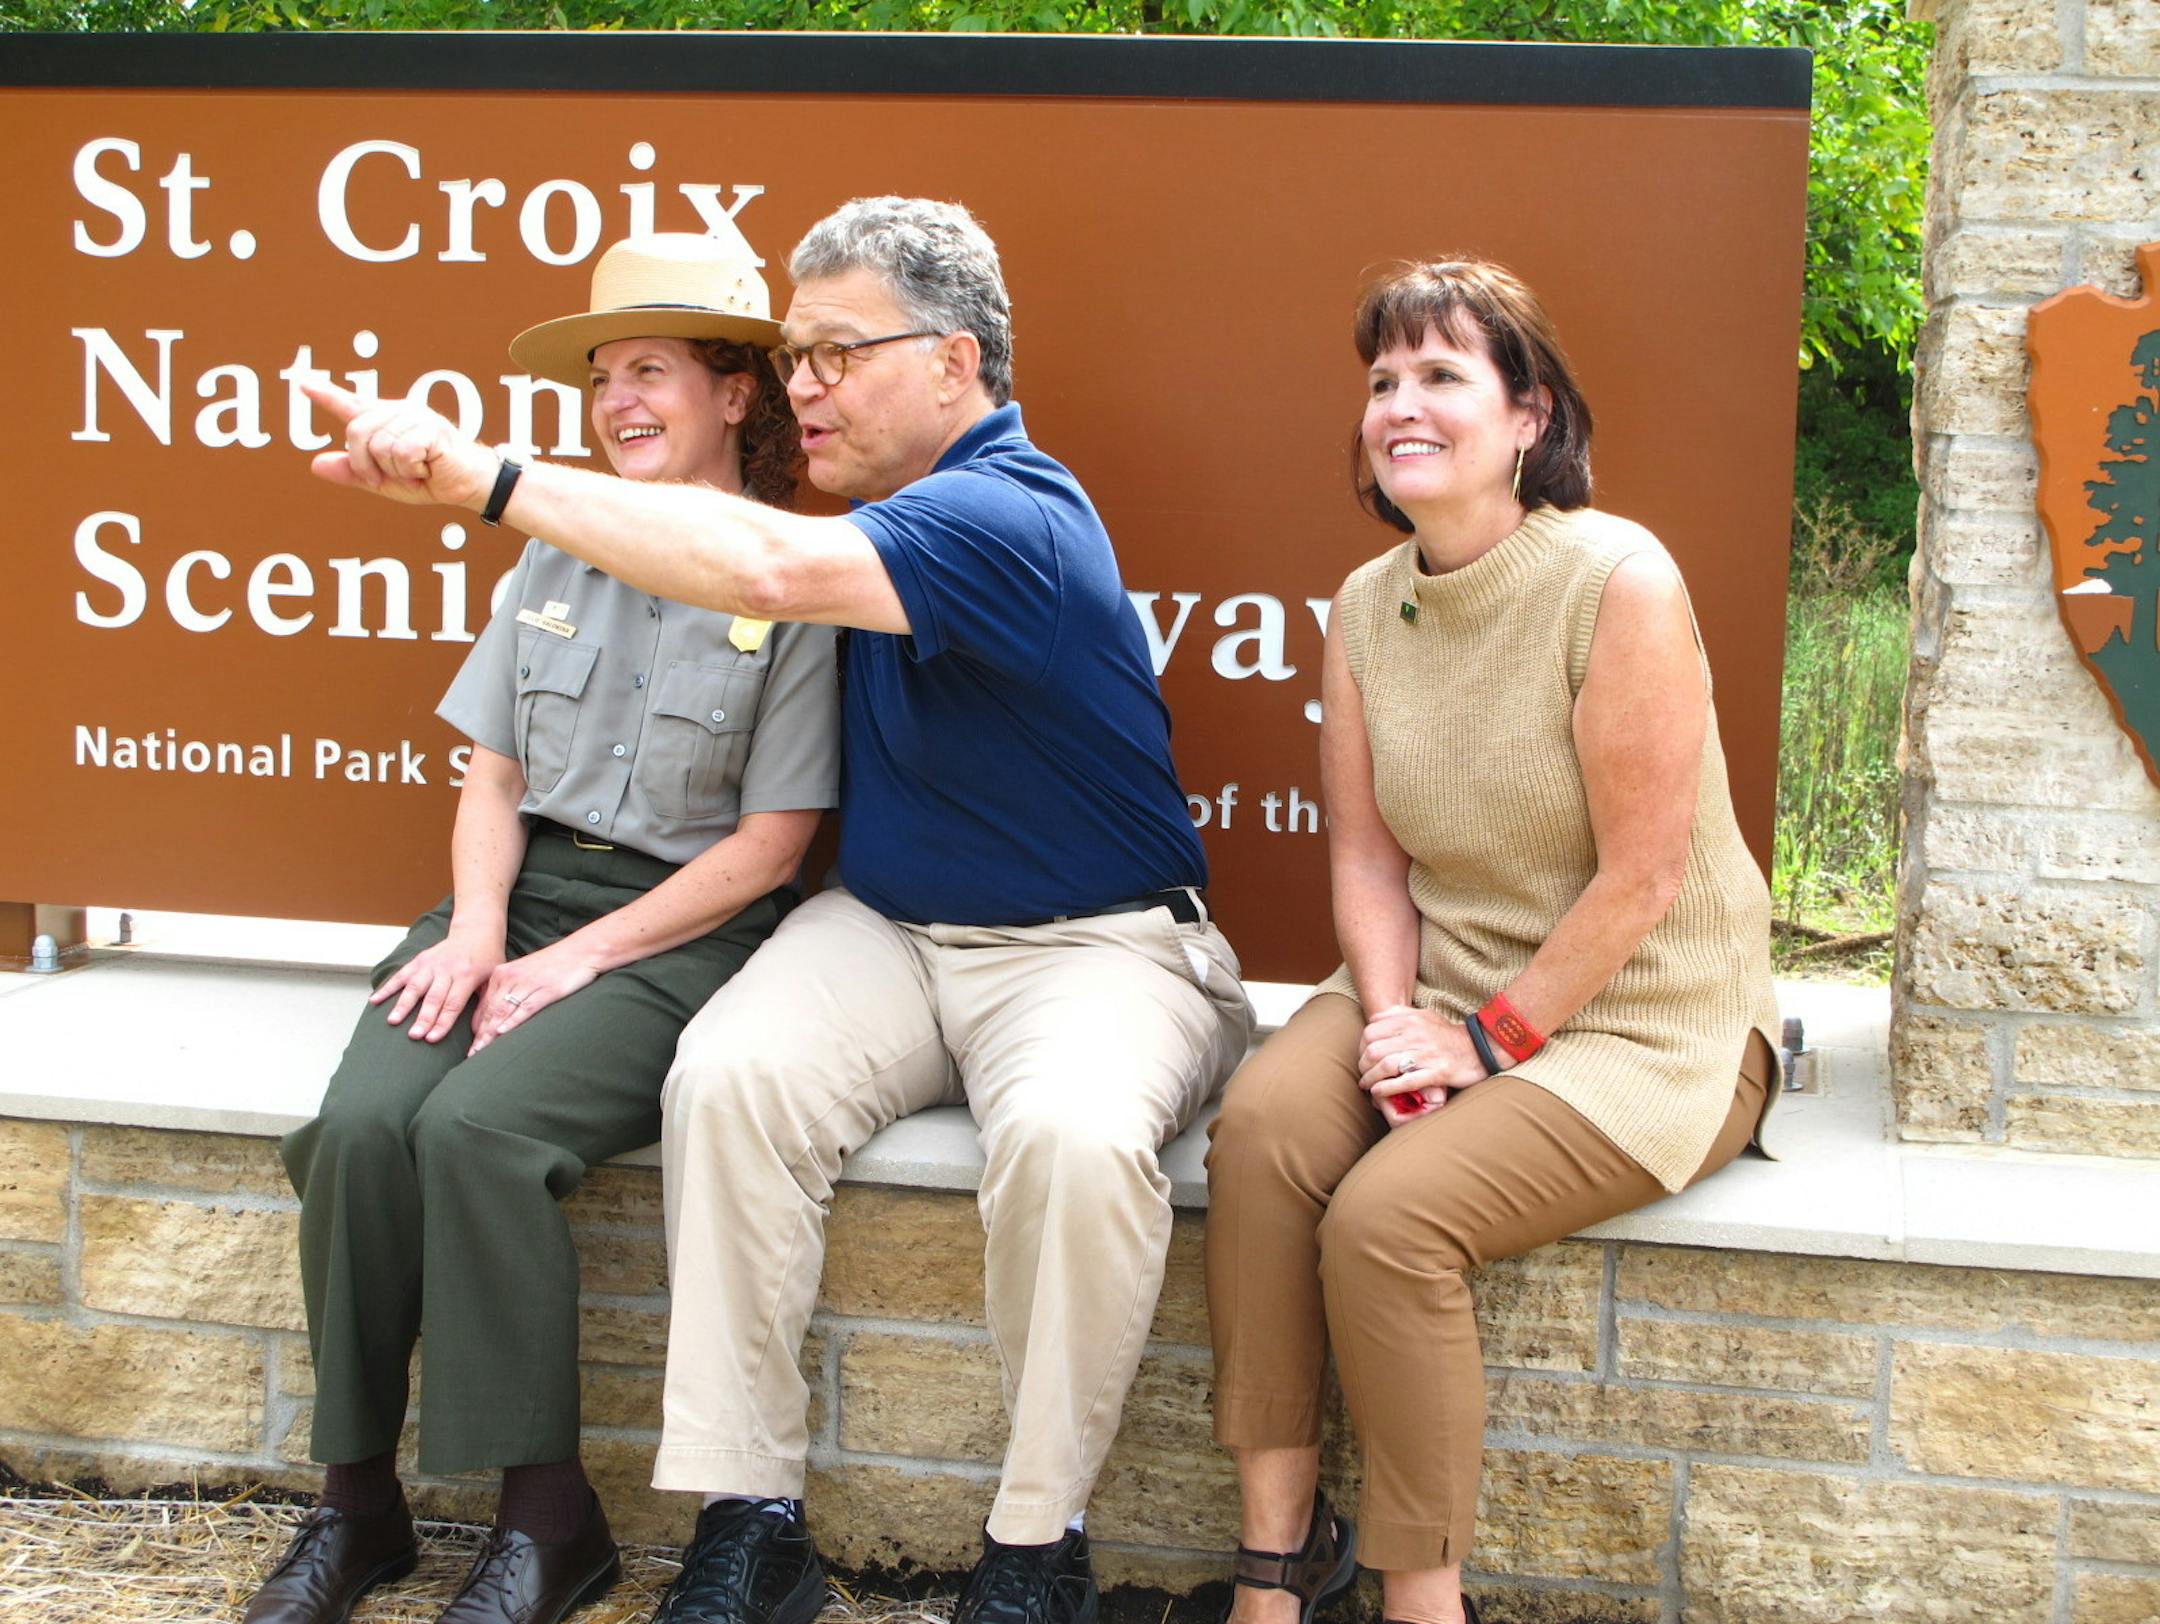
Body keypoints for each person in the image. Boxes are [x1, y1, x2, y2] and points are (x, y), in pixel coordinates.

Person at [300, 195, 1256, 1624]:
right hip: (889, 930)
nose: (803, 384)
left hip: (1093, 943)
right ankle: (753, 1524)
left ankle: (1035, 1547)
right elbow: (688, 578)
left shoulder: (1006, 511)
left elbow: (754, 571)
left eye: (834, 353)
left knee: (1066, 1141)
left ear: (955, 361)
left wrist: (475, 472)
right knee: (731, 1079)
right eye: (792, 355)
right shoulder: (863, 521)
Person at [248, 234, 842, 1624]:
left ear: (737, 395)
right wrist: (474, 933)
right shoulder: (551, 553)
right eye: (604, 375)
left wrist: (574, 959)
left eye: (655, 370)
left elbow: (772, 847)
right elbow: (495, 777)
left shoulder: (791, 572)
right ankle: (356, 1504)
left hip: (675, 936)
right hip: (511, 906)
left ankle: (547, 1517)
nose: (620, 399)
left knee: (477, 1132)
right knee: (357, 1129)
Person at [1202, 259, 1781, 1624]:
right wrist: (1399, 1025)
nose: (1402, 404)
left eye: (1443, 375)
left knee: (1393, 1223)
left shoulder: (1614, 580)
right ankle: (1279, 1565)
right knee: (1267, 1132)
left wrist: (1483, 1045)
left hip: (1648, 1018)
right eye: (1383, 382)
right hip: (1445, 979)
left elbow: (1644, 881)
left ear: (1528, 418)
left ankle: (1423, 1595)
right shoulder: (1363, 605)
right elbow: (1366, 856)